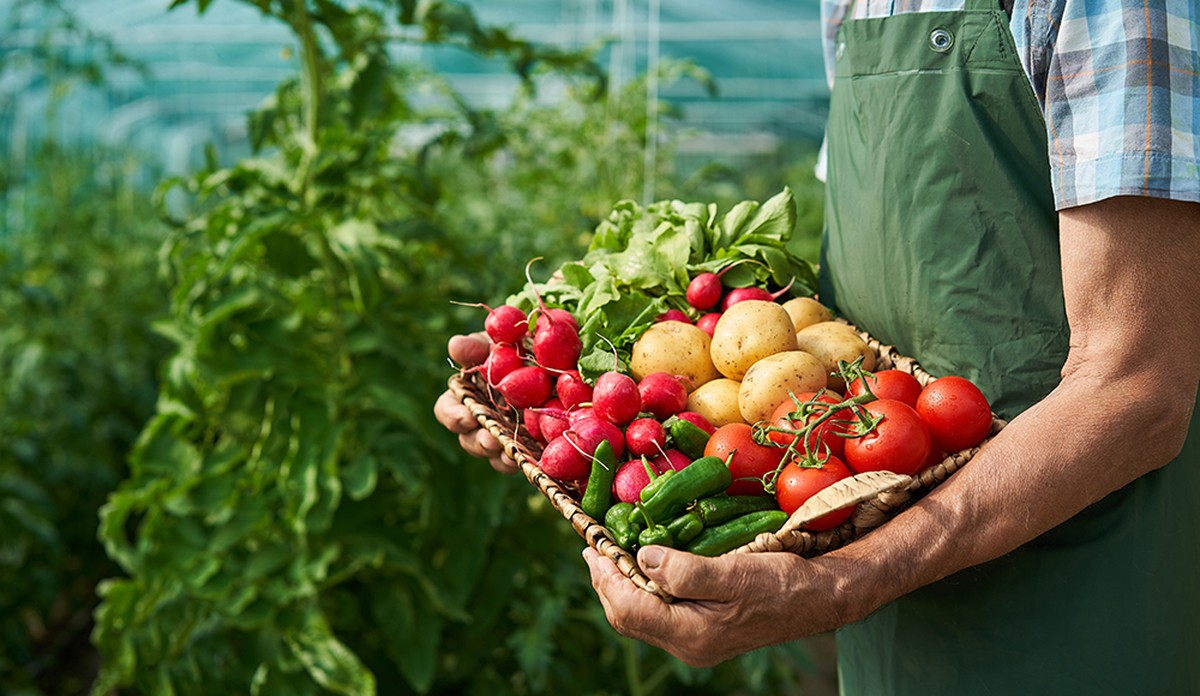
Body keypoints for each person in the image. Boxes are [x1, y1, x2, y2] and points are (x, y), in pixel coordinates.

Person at [435, 0, 1200, 692]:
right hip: (885, 570)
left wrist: (844, 584)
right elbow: (896, 267)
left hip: (1070, 601)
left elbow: (1136, 390)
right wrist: (559, 410)